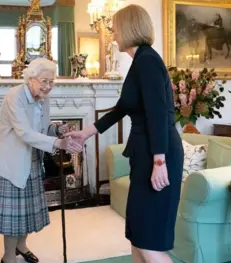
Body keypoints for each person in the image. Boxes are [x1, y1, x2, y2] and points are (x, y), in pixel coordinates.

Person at [65, 5, 183, 263]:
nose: (113, 32)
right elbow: (122, 108)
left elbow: (158, 114)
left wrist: (159, 161)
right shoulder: (140, 61)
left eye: (115, 27)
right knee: (138, 235)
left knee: (149, 240)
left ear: (129, 28)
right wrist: (88, 132)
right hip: (146, 154)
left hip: (158, 154)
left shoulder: (148, 61)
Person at [0, 58, 83, 263]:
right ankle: (8, 257)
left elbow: (41, 128)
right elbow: (24, 132)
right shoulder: (15, 97)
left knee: (27, 210)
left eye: (52, 82)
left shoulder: (43, 98)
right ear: (31, 78)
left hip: (33, 157)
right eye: (44, 81)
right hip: (13, 160)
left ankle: (21, 247)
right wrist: (58, 144)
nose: (48, 87)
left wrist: (57, 130)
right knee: (14, 216)